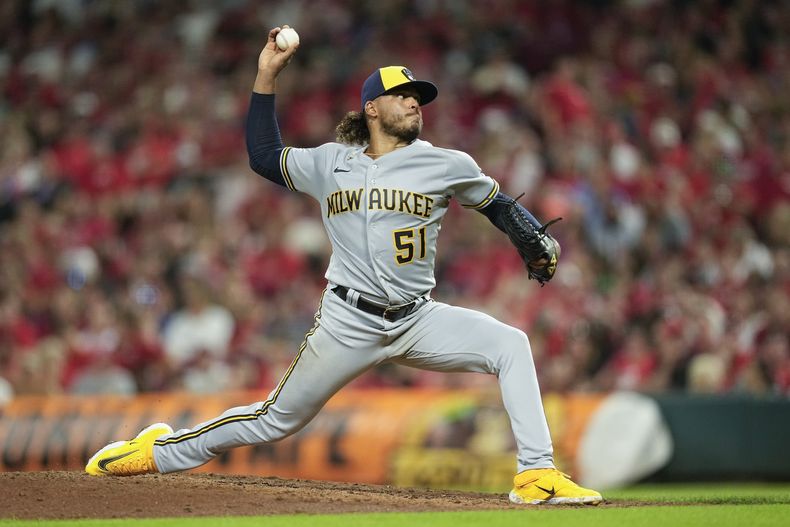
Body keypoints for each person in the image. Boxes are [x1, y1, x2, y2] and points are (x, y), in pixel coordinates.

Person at [85, 26, 602, 506]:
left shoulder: (448, 163)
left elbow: (499, 206)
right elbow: (264, 155)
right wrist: (267, 75)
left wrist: (531, 239)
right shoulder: (330, 161)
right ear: (372, 109)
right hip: (347, 321)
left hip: (417, 319)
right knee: (273, 421)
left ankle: (535, 473)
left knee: (510, 343)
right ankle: (159, 450)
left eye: (418, 97)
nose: (413, 103)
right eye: (402, 95)